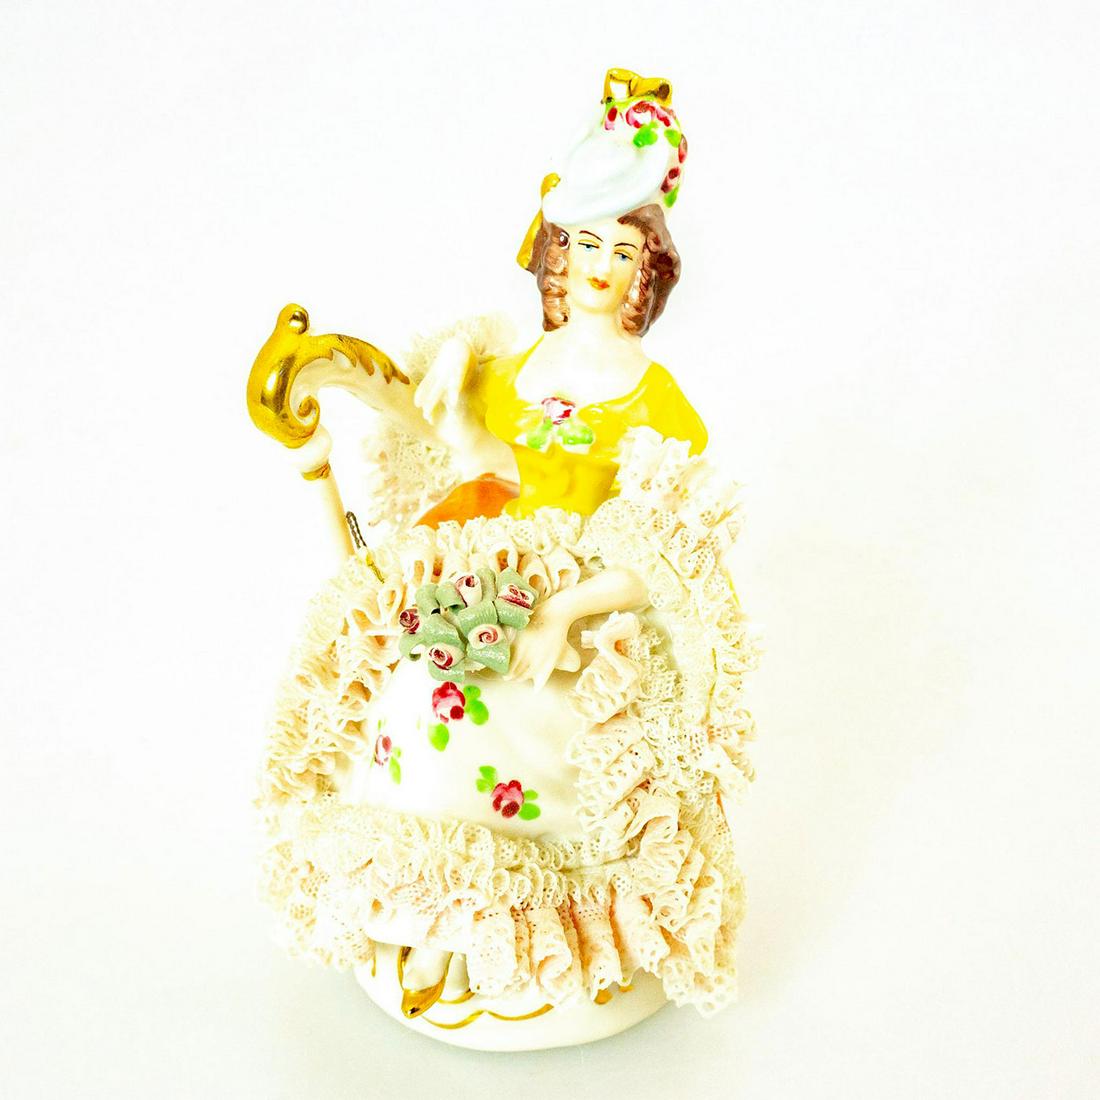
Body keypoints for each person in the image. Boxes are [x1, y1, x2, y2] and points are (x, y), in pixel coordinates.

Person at [258, 69, 756, 1049]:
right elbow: (481, 463)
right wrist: (453, 415)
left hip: (588, 615)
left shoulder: (657, 401)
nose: (601, 269)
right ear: (556, 255)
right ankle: (423, 913)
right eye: (586, 246)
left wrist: (565, 612)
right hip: (482, 576)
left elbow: (661, 549)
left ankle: (527, 942)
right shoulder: (516, 368)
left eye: (622, 252)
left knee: (494, 718)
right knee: (410, 685)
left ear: (647, 274)